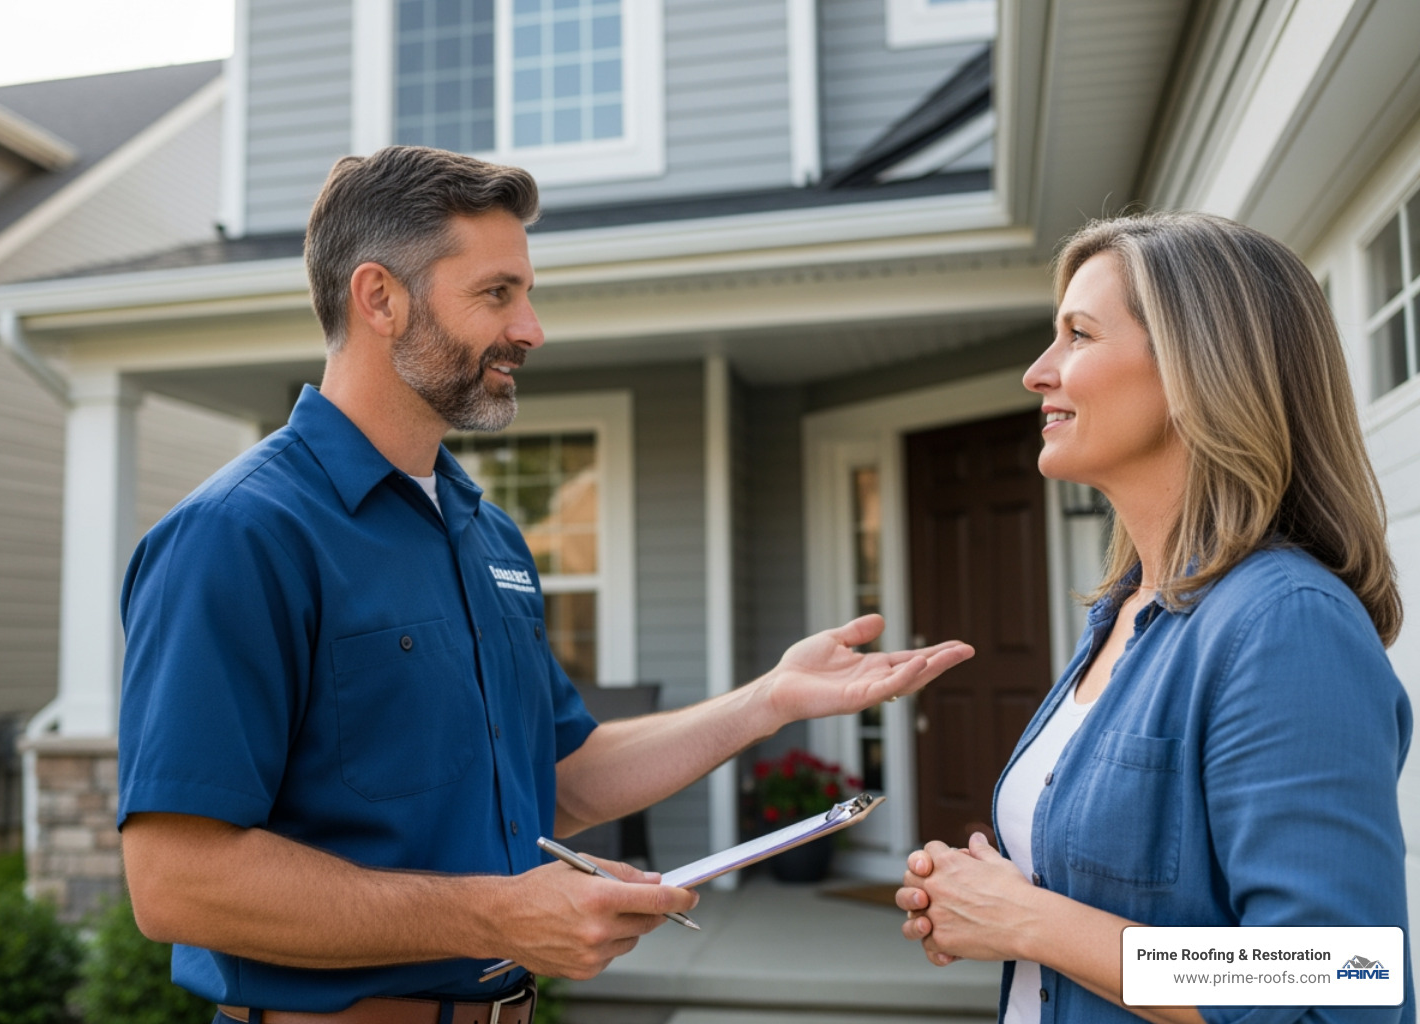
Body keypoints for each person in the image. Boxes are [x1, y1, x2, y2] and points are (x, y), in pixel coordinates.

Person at [117, 145, 975, 1024]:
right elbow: (176, 883)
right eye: (497, 293)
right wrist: (499, 913)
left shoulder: (485, 533)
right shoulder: (238, 535)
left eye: (525, 293)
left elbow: (564, 775)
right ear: (378, 297)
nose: (531, 328)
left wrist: (770, 700)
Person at [896, 211, 1413, 1024]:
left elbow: (1340, 971)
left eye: (1078, 335)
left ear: (1195, 367)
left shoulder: (1286, 623)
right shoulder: (1123, 613)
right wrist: (985, 895)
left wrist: (1029, 920)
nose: (1038, 372)